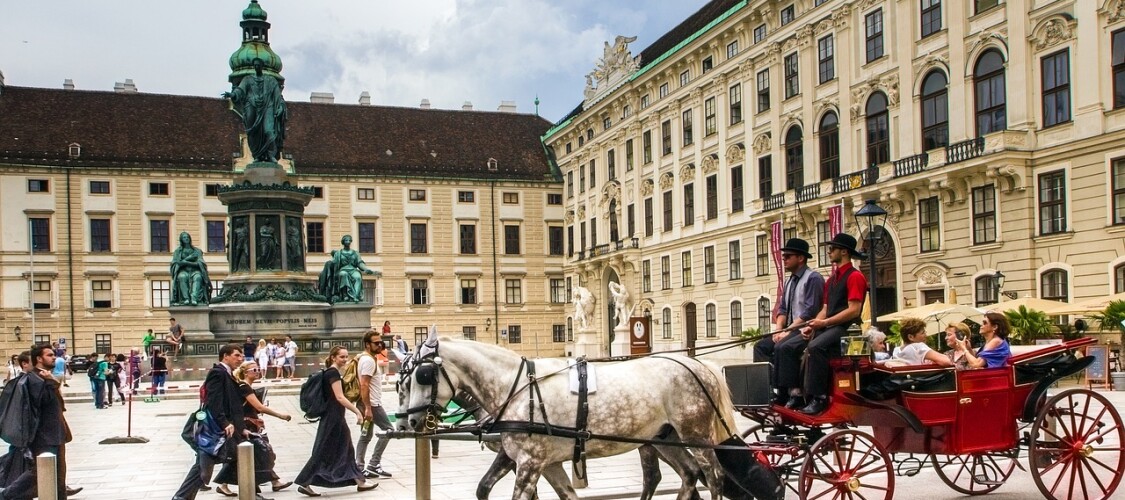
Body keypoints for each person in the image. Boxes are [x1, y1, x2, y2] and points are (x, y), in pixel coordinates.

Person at [796, 233, 869, 415]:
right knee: (799, 345)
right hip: (831, 326)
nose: (829, 252)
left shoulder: (855, 276)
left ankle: (819, 397)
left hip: (847, 329)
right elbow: (825, 308)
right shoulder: (832, 279)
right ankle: (798, 394)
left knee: (816, 347)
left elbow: (854, 310)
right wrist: (812, 325)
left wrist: (824, 322)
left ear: (844, 252)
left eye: (832, 249)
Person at [294, 346, 378, 496]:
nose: (345, 359)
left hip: (333, 417)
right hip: (334, 418)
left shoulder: (330, 372)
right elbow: (339, 397)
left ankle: (360, 481)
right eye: (342, 357)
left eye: (346, 356)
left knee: (345, 449)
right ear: (333, 357)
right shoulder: (333, 373)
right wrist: (357, 411)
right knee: (324, 451)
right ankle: (304, 481)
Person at [171, 344, 246, 500]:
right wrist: (224, 423)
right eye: (237, 355)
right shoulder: (218, 373)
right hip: (217, 428)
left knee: (205, 463)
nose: (240, 359)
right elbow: (214, 401)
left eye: (241, 356)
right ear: (225, 356)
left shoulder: (227, 373)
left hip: (227, 427)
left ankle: (183, 497)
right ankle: (182, 497)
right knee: (204, 464)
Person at [757, 238, 825, 408]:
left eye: (788, 256)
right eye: (784, 256)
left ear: (800, 258)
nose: (784, 259)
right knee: (761, 347)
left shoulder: (813, 278)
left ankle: (794, 393)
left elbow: (810, 311)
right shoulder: (789, 281)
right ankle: (771, 388)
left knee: (784, 347)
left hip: (806, 329)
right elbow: (782, 309)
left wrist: (788, 331)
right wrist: (778, 330)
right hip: (790, 329)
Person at [213, 360, 293, 497]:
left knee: (254, 454)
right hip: (246, 426)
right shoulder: (245, 387)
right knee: (260, 453)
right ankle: (226, 484)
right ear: (245, 372)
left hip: (248, 425)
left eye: (258, 369)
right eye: (254, 370)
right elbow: (259, 407)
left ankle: (273, 481)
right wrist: (281, 415)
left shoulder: (244, 386)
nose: (257, 372)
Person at [0, 344, 70, 499]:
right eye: (49, 355)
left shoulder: (44, 377)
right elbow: (41, 402)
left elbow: (59, 405)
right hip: (44, 434)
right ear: (39, 358)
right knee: (39, 470)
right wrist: (51, 381)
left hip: (56, 433)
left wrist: (52, 381)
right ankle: (6, 495)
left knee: (59, 475)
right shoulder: (34, 379)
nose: (54, 358)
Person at [223, 57, 288, 163]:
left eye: (258, 65)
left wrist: (280, 106)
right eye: (255, 65)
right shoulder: (247, 79)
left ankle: (271, 154)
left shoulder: (271, 80)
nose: (257, 66)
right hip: (252, 106)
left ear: (262, 66)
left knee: (269, 131)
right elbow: (240, 90)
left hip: (268, 107)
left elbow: (278, 96)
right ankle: (257, 155)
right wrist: (232, 94)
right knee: (252, 133)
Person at [355, 331, 393, 479]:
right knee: (388, 430)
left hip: (366, 403)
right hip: (372, 404)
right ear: (367, 344)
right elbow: (364, 385)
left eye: (381, 342)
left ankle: (359, 467)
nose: (380, 345)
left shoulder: (365, 358)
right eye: (376, 343)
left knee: (365, 435)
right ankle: (373, 464)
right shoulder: (369, 361)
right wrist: (368, 408)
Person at [317, 235, 375, 303]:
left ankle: (355, 297)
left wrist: (365, 269)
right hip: (343, 270)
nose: (348, 242)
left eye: (349, 240)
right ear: (343, 242)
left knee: (358, 277)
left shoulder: (355, 253)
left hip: (353, 270)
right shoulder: (338, 253)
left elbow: (359, 263)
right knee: (343, 274)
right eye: (346, 240)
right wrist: (329, 264)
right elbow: (334, 263)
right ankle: (345, 295)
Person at [880, 318, 953, 367]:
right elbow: (947, 361)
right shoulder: (918, 347)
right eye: (922, 333)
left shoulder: (897, 350)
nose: (926, 335)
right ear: (911, 337)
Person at [170, 231, 212, 306]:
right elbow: (176, 263)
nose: (186, 239)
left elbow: (200, 264)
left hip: (195, 270)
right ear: (181, 240)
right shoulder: (178, 251)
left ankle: (194, 298)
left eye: (187, 237)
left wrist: (185, 262)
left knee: (198, 277)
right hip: (183, 271)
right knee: (181, 277)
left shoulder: (197, 251)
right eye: (184, 237)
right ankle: (185, 299)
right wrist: (189, 258)